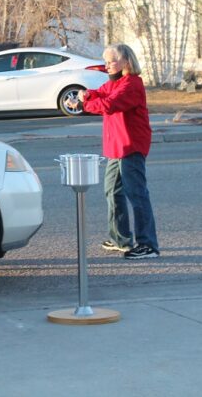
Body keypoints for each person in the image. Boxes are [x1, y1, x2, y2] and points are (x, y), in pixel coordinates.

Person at [67, 43, 160, 259]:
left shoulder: (132, 85)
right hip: (116, 148)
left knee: (136, 194)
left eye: (111, 61)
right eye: (106, 61)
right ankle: (121, 239)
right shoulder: (115, 84)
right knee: (112, 191)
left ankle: (148, 245)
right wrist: (83, 95)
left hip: (131, 146)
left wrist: (85, 104)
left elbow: (109, 104)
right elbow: (99, 93)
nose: (107, 65)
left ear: (126, 61)